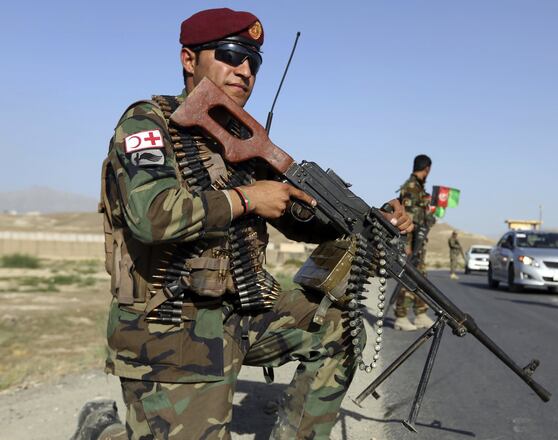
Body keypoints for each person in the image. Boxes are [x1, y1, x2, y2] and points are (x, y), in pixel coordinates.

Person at [74, 8, 412, 440]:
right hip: (168, 326)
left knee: (339, 330)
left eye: (254, 61)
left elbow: (296, 215)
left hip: (242, 311)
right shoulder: (148, 124)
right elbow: (151, 215)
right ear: (188, 59)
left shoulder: (241, 141)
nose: (245, 70)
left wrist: (369, 219)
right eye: (232, 54)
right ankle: (100, 428)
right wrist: (246, 199)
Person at [393, 154, 436, 331]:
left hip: (419, 242)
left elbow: (421, 218)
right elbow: (408, 221)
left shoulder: (419, 189)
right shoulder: (411, 188)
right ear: (427, 169)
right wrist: (407, 246)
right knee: (409, 277)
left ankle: (420, 313)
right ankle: (401, 317)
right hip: (411, 243)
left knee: (421, 278)